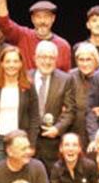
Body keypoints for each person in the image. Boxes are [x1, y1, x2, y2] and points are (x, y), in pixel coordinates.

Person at [0, 0, 72, 71]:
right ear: (32, 19)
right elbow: (3, 23)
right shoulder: (23, 36)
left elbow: (65, 78)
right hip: (26, 85)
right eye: (38, 17)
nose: (42, 21)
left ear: (53, 18)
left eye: (46, 17)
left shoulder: (63, 46)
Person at [0, 46, 40, 168]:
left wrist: (31, 144)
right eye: (7, 61)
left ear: (21, 63)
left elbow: (34, 117)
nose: (11, 65)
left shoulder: (29, 86)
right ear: (1, 63)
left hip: (20, 142)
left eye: (15, 61)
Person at [31, 40, 76, 174]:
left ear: (56, 60)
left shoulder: (66, 80)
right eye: (43, 57)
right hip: (27, 140)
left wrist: (57, 129)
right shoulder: (25, 78)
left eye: (51, 58)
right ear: (35, 58)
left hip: (52, 144)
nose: (47, 61)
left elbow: (70, 110)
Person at [68, 44, 99, 143]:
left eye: (88, 60)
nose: (84, 64)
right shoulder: (69, 78)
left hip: (98, 133)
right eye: (81, 60)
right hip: (74, 133)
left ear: (96, 61)